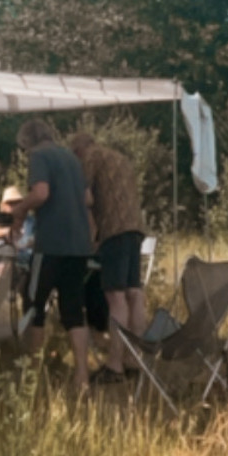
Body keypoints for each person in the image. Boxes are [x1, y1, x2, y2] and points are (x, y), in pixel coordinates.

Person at [7, 118, 94, 391]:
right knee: (73, 309)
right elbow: (88, 199)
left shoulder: (39, 156)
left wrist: (20, 209)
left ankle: (32, 373)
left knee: (34, 302)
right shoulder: (72, 159)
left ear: (27, 143)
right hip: (79, 246)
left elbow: (41, 193)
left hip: (51, 245)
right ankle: (82, 376)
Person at [70, 131, 148, 383]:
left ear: (78, 151)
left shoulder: (89, 158)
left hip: (113, 231)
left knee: (115, 296)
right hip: (135, 229)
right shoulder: (121, 159)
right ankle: (134, 360)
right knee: (134, 293)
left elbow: (86, 198)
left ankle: (114, 366)